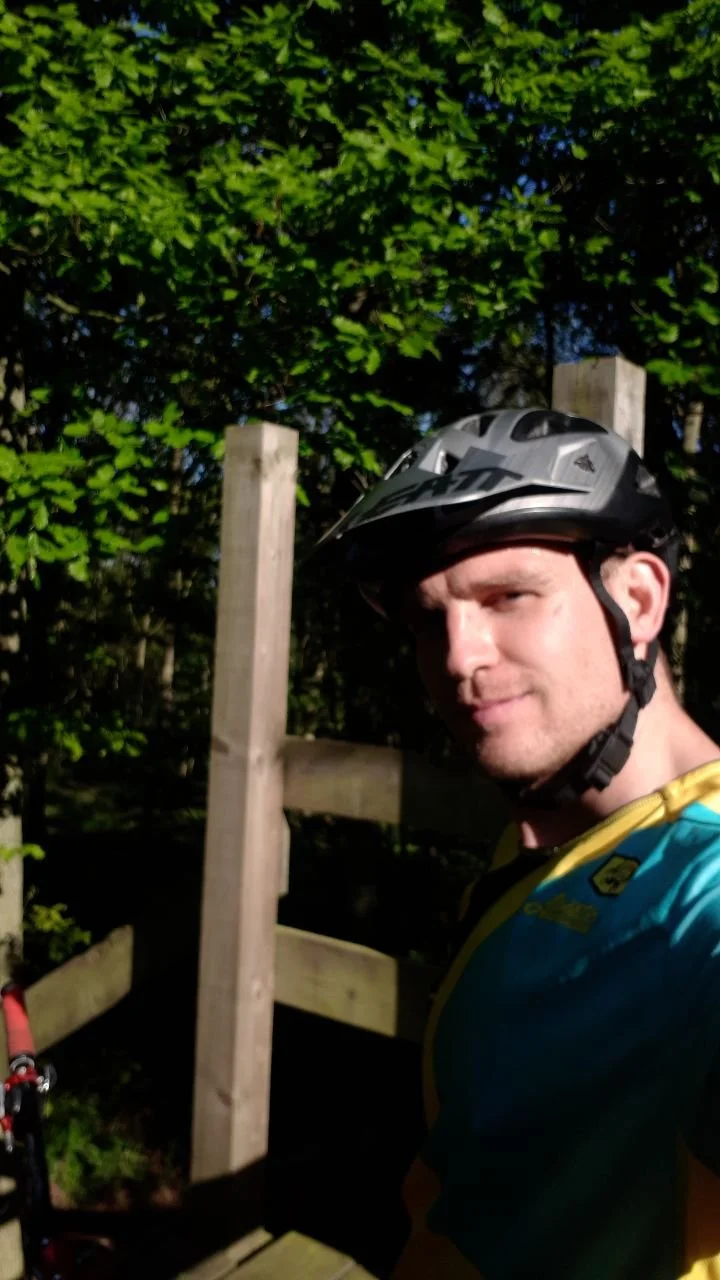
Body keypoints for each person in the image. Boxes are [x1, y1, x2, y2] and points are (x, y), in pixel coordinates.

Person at [322, 408, 720, 1279]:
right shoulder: (549, 827)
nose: (459, 657)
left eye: (508, 597)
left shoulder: (704, 883)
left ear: (640, 600)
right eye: (429, 620)